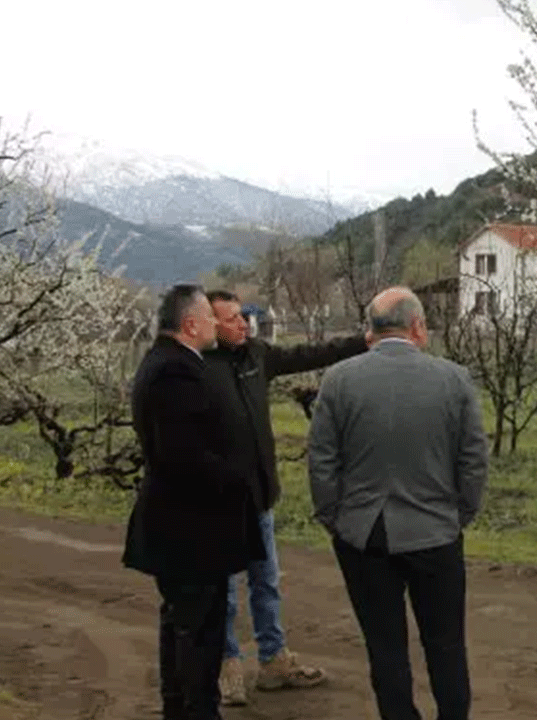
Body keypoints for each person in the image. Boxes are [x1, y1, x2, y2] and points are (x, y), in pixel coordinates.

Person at [307, 286, 489, 720]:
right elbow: (474, 460)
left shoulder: (338, 380)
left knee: (385, 648)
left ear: (369, 331)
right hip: (436, 533)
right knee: (446, 645)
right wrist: (458, 514)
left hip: (364, 534)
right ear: (418, 327)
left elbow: (322, 462)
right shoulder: (453, 379)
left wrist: (336, 519)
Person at [202, 290, 368, 705]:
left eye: (243, 316)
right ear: (209, 324)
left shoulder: (257, 355)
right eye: (232, 319)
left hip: (260, 495)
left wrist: (361, 341)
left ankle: (274, 660)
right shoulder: (198, 369)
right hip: (218, 501)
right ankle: (226, 665)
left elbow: (309, 354)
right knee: (221, 589)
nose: (243, 324)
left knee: (266, 581)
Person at [122, 284, 266, 720]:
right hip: (190, 533)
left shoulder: (170, 363)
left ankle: (179, 708)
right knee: (198, 636)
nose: (214, 327)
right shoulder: (174, 373)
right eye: (208, 318)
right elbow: (184, 456)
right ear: (189, 324)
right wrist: (239, 477)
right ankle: (195, 710)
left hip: (184, 530)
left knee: (182, 626)